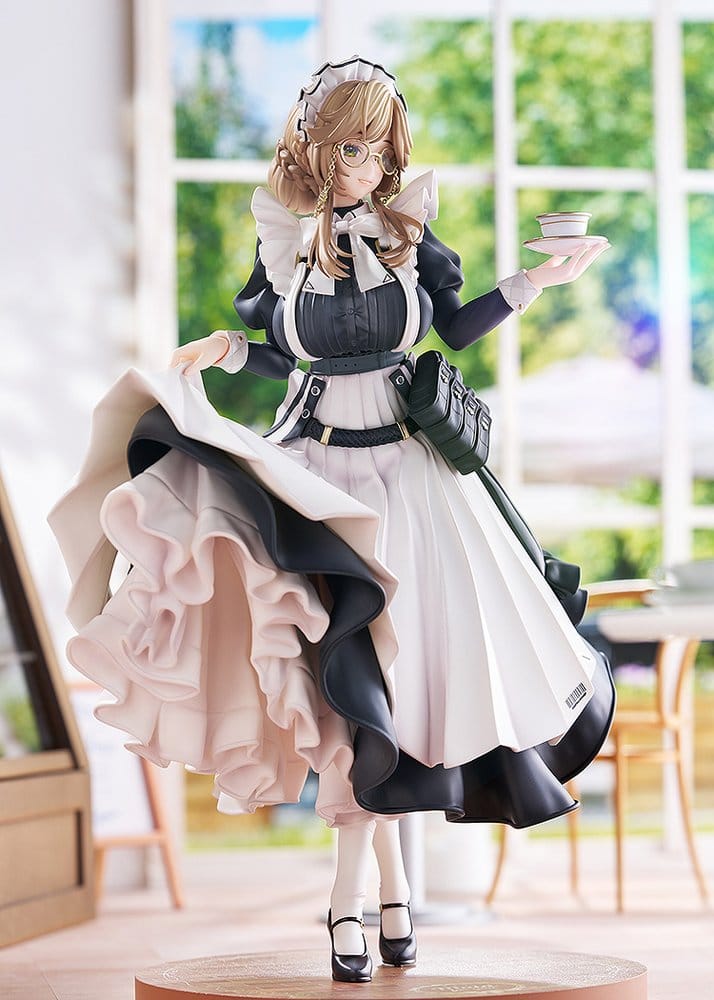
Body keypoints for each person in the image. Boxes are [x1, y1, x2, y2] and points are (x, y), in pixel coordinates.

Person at [50, 56, 614, 984]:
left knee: (388, 690)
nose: (367, 167)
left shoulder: (407, 230)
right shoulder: (285, 241)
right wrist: (226, 349)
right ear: (316, 149)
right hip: (316, 480)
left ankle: (362, 900)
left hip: (412, 484)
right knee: (342, 692)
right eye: (351, 149)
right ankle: (381, 897)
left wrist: (534, 281)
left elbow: (454, 328)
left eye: (379, 151)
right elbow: (281, 356)